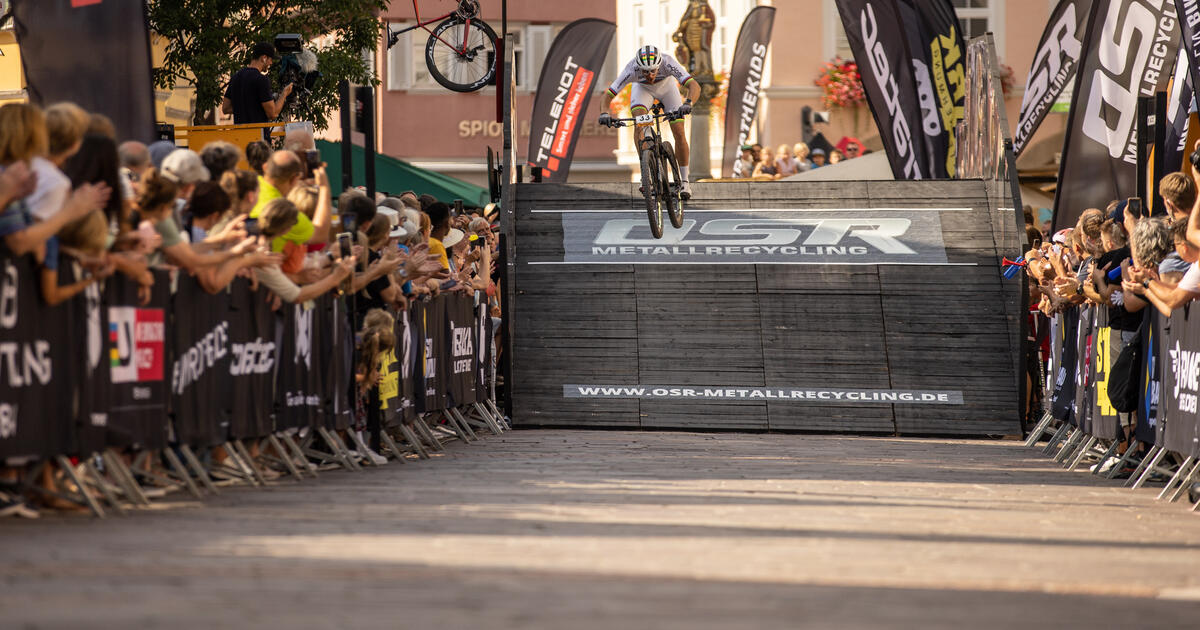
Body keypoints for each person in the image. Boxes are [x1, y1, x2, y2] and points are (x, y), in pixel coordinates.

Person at [598, 45, 701, 199]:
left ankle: (685, 181)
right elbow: (608, 95)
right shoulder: (631, 69)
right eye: (645, 71)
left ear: (659, 65)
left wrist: (688, 104)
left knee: (679, 131)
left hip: (668, 90)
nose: (650, 75)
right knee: (639, 122)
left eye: (653, 70)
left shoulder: (668, 62)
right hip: (642, 91)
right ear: (639, 67)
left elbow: (694, 86)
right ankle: (646, 172)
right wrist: (604, 113)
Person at [221, 41, 292, 125]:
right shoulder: (261, 79)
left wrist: (248, 107)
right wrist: (284, 94)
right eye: (270, 59)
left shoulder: (235, 77)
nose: (271, 63)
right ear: (264, 58)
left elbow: (225, 108)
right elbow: (273, 114)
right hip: (258, 136)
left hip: (240, 136)